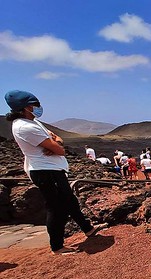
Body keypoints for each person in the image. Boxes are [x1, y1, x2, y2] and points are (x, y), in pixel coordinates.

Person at [4, 90, 107, 254]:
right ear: (25, 108)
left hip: (53, 169)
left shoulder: (34, 122)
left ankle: (88, 229)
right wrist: (56, 145)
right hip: (44, 171)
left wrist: (55, 143)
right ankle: (57, 246)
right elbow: (59, 150)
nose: (38, 107)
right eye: (35, 105)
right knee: (55, 207)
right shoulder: (24, 127)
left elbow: (57, 140)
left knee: (70, 201)